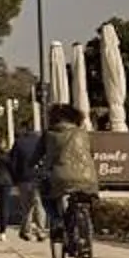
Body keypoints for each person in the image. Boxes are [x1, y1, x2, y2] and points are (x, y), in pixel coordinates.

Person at [45, 104, 101, 250]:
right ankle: (84, 233)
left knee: (45, 193)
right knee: (83, 199)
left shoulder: (50, 134)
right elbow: (91, 153)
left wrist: (37, 170)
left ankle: (57, 222)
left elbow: (41, 157)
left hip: (62, 177)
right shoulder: (83, 133)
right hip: (88, 177)